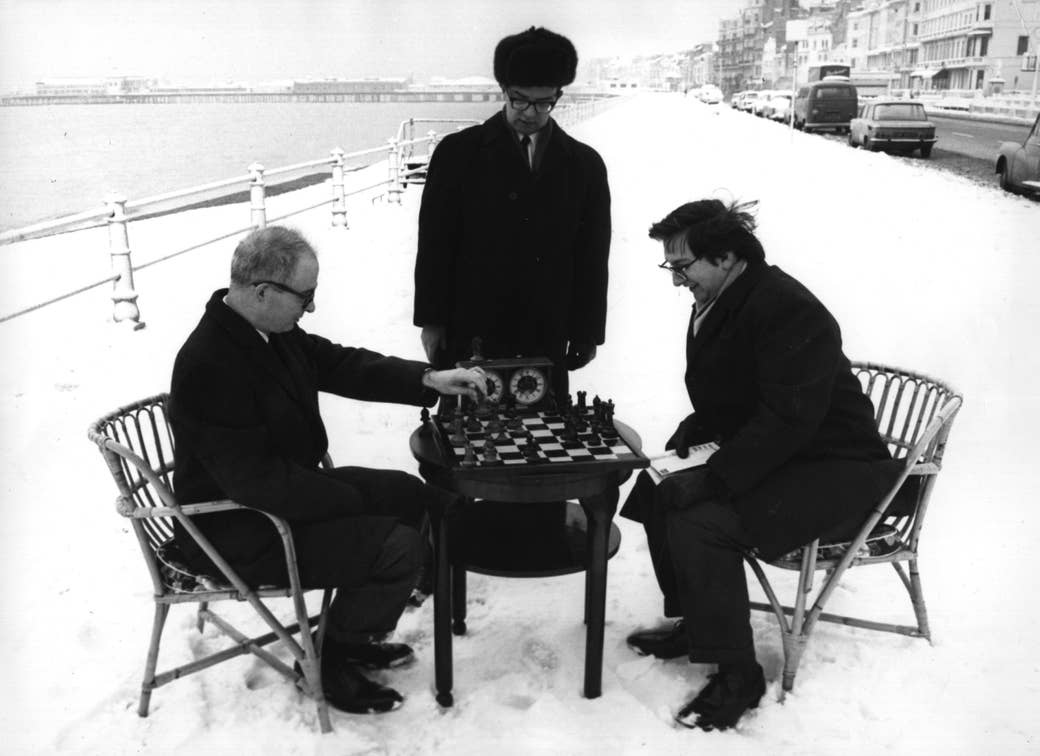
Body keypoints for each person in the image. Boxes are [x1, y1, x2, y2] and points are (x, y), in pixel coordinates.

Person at [168, 226, 487, 715]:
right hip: (239, 527)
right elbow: (256, 482)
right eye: (306, 295)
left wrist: (429, 380)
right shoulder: (210, 361)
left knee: (413, 497)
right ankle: (326, 658)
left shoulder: (268, 330)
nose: (311, 307)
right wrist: (350, 503)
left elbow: (342, 364)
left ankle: (352, 632)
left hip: (284, 494)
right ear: (262, 292)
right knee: (397, 547)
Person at [620, 199, 900, 731]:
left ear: (725, 256)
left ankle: (739, 675)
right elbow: (743, 391)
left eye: (683, 267)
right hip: (786, 457)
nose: (677, 281)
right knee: (660, 488)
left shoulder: (787, 306)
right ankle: (700, 623)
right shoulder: (726, 294)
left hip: (837, 472)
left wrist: (716, 476)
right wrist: (700, 430)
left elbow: (789, 419)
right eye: (671, 267)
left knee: (702, 518)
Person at [413, 25, 611, 401]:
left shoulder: (585, 165)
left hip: (546, 327)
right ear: (502, 90)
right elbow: (435, 245)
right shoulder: (458, 154)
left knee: (543, 435)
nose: (530, 113)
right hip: (473, 324)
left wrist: (586, 331)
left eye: (543, 102)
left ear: (559, 96)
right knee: (468, 436)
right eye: (519, 100)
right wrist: (431, 322)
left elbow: (592, 255)